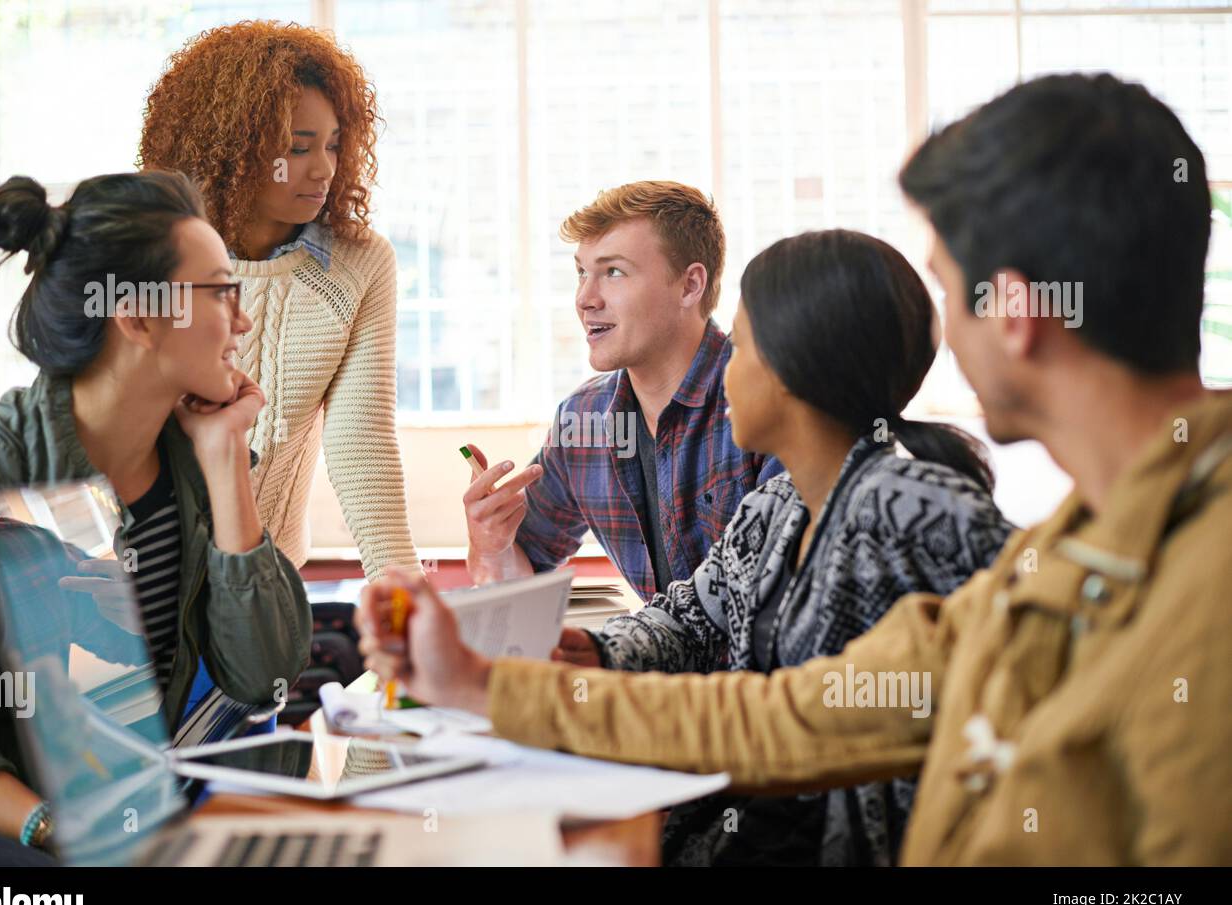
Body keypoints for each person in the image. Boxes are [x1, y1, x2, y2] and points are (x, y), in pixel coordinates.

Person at [360, 74, 1232, 865]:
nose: (940, 339)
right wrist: (485, 681)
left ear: (1013, 313)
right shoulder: (1065, 556)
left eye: (945, 285)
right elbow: (784, 716)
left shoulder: (1196, 580)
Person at [543, 229, 1012, 865]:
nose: (725, 367)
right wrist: (594, 650)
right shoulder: (775, 507)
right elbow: (688, 622)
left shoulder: (914, 511)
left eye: (743, 347)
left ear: (795, 368)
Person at [0, 171, 312, 863]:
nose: (245, 319)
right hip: (20, 841)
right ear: (135, 316)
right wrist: (63, 833)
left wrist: (226, 461)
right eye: (222, 291)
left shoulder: (194, 463)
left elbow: (266, 680)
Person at [139, 20, 418, 575]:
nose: (324, 168)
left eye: (335, 144)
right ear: (230, 150)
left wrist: (404, 589)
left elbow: (361, 437)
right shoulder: (150, 257)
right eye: (297, 146)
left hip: (269, 582)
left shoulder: (359, 264)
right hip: (142, 576)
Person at [464, 181, 781, 602]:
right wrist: (491, 544)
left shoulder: (774, 399)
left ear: (690, 286)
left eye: (613, 272)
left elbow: (787, 601)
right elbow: (517, 580)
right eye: (582, 272)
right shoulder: (584, 419)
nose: (584, 299)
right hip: (655, 658)